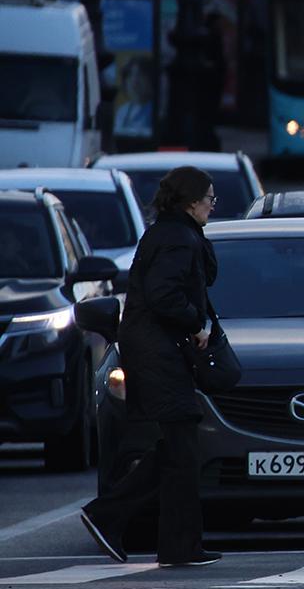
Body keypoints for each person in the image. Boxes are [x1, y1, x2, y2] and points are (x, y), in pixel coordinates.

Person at [80, 167, 221, 567]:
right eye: (209, 198)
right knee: (181, 447)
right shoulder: (176, 238)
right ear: (191, 201)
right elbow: (164, 295)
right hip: (158, 353)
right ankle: (108, 515)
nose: (212, 205)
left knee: (178, 451)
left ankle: (179, 547)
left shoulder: (173, 233)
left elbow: (201, 274)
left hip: (153, 350)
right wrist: (196, 323)